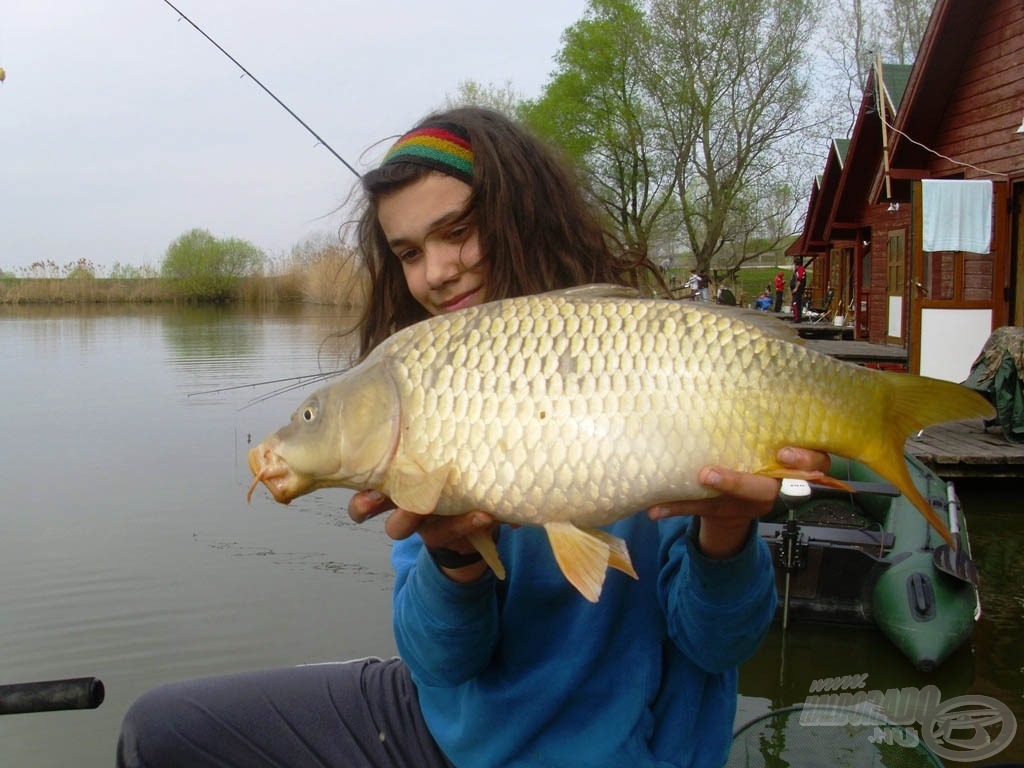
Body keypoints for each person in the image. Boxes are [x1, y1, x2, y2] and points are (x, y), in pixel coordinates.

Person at [116, 107, 830, 768]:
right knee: (160, 731)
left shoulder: (640, 361)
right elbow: (442, 665)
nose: (436, 272)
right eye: (407, 252)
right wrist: (452, 557)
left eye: (457, 232)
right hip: (453, 733)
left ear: (522, 216)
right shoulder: (423, 383)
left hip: (629, 750)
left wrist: (729, 530)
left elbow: (720, 644)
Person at [790, 257, 807, 323]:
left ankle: (797, 318)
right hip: (797, 290)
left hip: (798, 290)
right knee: (796, 303)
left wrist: (796, 288)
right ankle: (797, 317)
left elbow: (799, 280)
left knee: (796, 303)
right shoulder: (797, 270)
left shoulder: (800, 270)